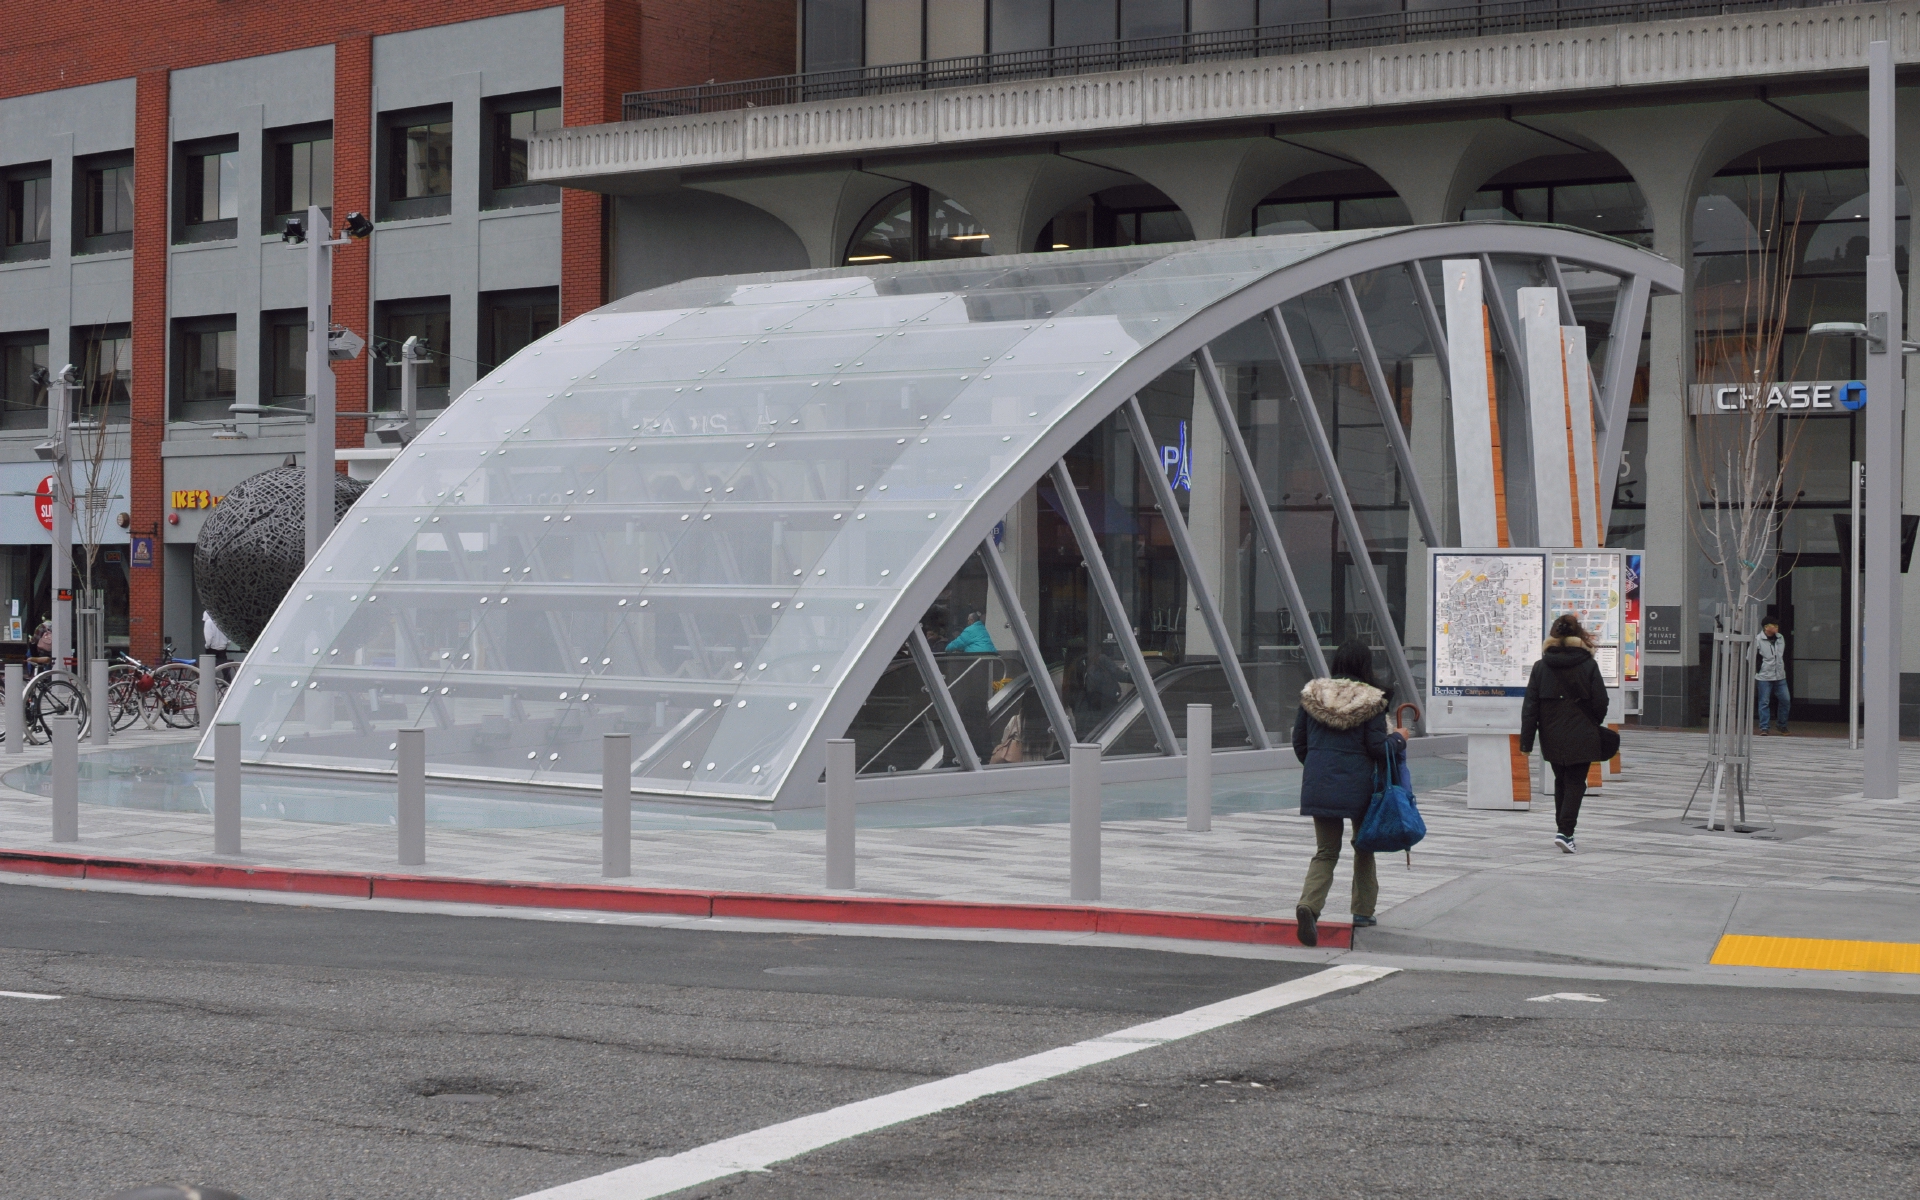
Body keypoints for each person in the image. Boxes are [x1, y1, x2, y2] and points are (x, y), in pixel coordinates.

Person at [1292, 640, 1406, 947]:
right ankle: (1362, 911)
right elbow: (1377, 749)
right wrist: (1399, 739)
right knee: (1363, 846)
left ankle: (1309, 905)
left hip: (1319, 784)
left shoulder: (1312, 696)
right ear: (1366, 666)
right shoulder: (1372, 701)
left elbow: (1299, 743)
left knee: (1326, 851)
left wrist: (1319, 769)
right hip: (1360, 787)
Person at [1520, 613, 1610, 855]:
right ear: (1578, 634)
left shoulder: (1540, 667)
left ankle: (1563, 829)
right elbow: (1601, 701)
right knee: (1575, 782)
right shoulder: (1589, 665)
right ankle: (1565, 831)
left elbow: (1530, 708)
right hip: (1582, 733)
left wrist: (1526, 742)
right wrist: (1593, 721)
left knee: (1561, 780)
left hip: (1551, 734)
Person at [1754, 620, 1789, 736]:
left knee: (1785, 700)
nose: (1776, 628)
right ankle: (1764, 727)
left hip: (1780, 676)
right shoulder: (1758, 639)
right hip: (1764, 676)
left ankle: (1782, 724)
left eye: (1777, 625)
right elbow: (1750, 656)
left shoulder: (1780, 638)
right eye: (1774, 626)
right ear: (1766, 627)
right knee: (1764, 701)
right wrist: (1759, 668)